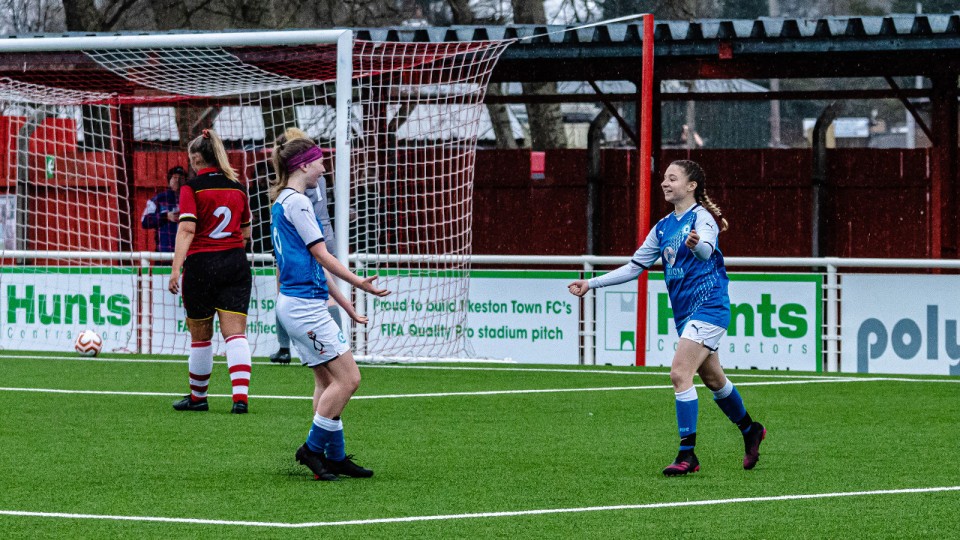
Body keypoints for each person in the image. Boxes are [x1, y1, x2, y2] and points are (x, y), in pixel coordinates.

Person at [568, 159, 765, 476]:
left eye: (672, 178)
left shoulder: (702, 219)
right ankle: (750, 430)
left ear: (691, 186)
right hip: (686, 314)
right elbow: (634, 268)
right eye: (664, 178)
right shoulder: (662, 227)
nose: (664, 182)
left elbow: (707, 250)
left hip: (710, 307)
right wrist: (591, 283)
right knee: (713, 379)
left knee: (679, 373)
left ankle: (688, 455)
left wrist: (698, 244)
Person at [270, 133, 389, 480]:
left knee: (326, 382)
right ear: (303, 164)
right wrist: (359, 282)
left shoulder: (282, 201)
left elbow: (316, 263)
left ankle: (335, 456)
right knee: (350, 379)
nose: (324, 168)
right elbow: (323, 255)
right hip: (304, 308)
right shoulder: (299, 203)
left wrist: (348, 306)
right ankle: (311, 449)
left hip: (298, 304)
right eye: (320, 161)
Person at [168, 129, 253, 415]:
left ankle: (198, 398)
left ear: (195, 158)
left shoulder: (192, 188)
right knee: (235, 335)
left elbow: (187, 228)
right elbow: (245, 232)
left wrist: (175, 269)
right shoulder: (238, 187)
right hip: (235, 263)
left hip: (202, 265)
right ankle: (240, 399)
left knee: (201, 336)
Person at [268, 128, 341, 364]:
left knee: (290, 290)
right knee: (317, 294)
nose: (322, 168)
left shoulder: (294, 193)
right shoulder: (299, 191)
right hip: (315, 236)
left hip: (308, 238)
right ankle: (329, 350)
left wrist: (357, 283)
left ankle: (293, 348)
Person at [141, 165, 187, 254]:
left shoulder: (191, 199)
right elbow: (144, 221)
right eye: (174, 177)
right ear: (169, 181)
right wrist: (165, 216)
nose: (177, 181)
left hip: (186, 253)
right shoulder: (159, 199)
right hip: (164, 253)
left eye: (181, 178)